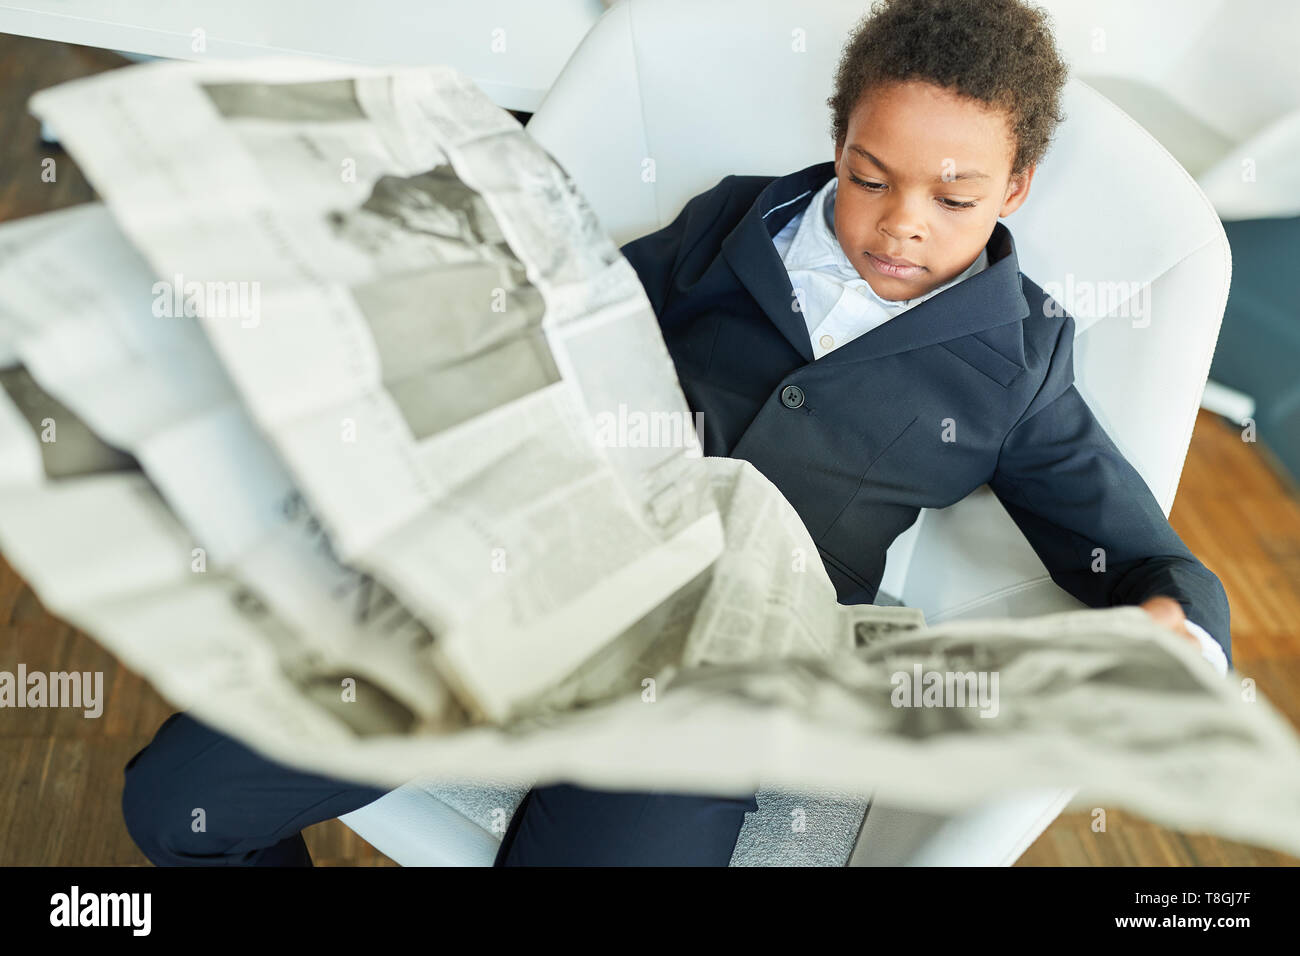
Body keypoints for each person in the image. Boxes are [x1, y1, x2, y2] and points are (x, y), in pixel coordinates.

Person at [123, 0, 1230, 867]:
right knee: (177, 803)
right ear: (836, 145)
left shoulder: (1020, 360)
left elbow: (1132, 553)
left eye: (954, 197)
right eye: (869, 177)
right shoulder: (728, 226)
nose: (900, 221)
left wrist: (1172, 629)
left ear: (1016, 188)